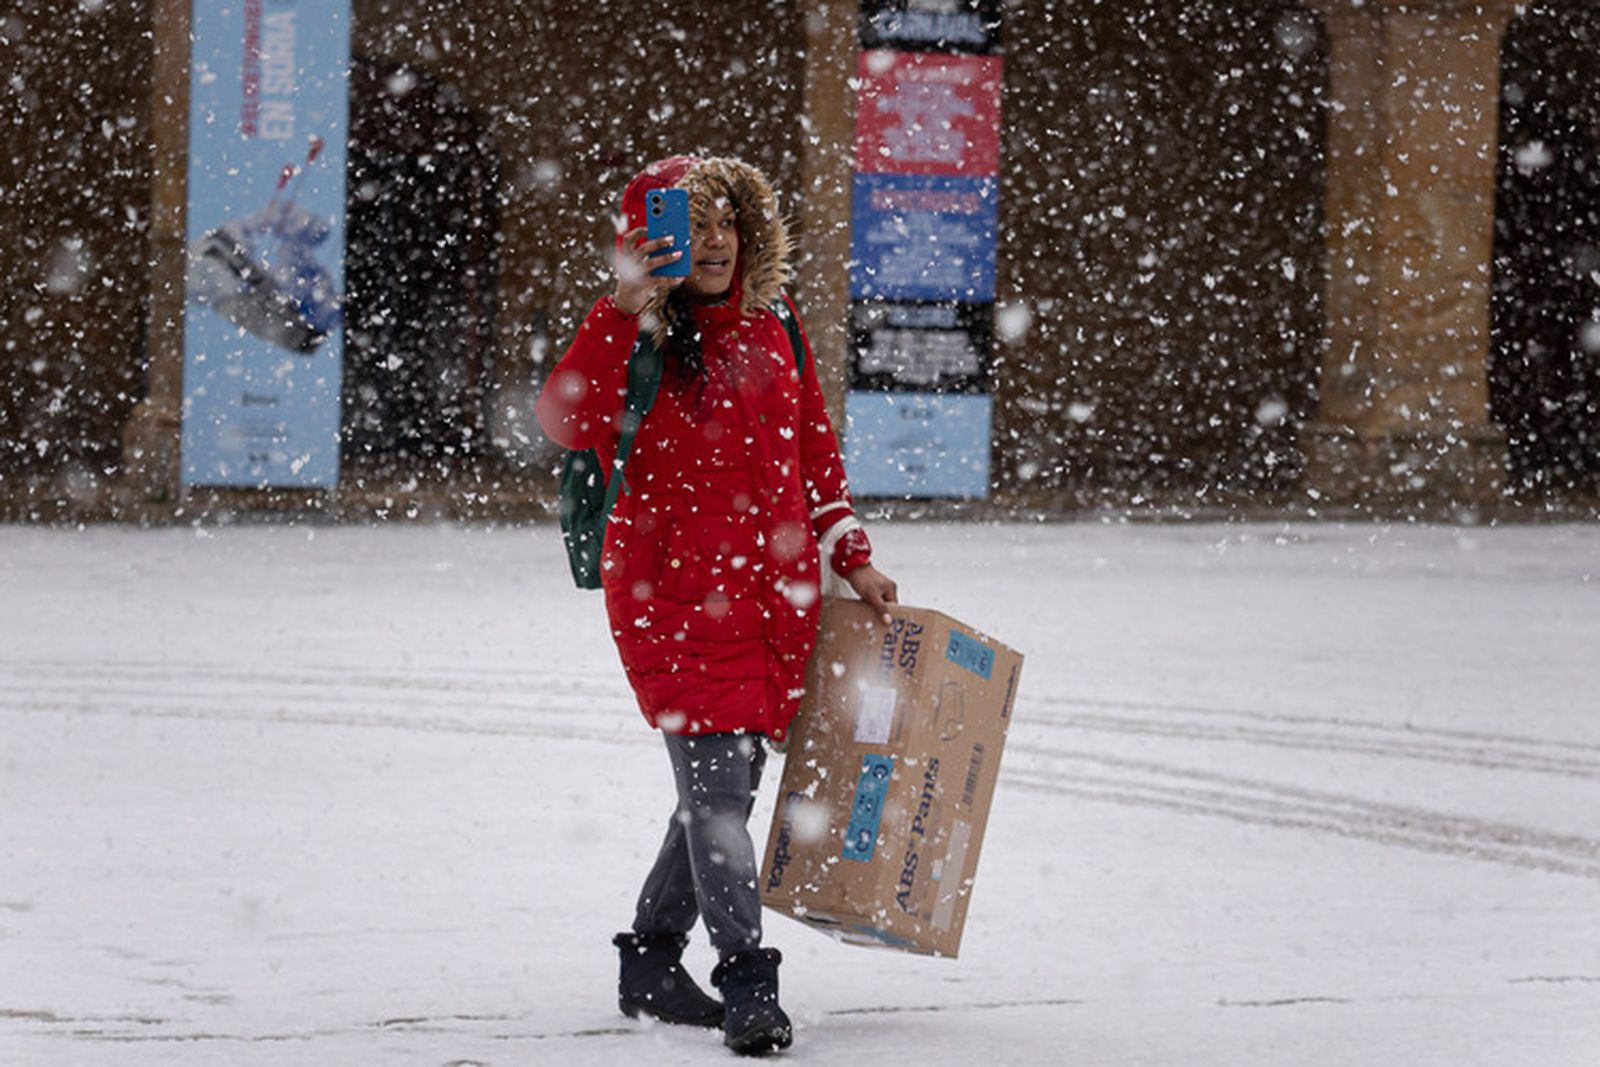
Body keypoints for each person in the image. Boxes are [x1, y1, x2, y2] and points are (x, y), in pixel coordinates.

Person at [535, 155, 897, 1056]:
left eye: (728, 222)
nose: (715, 241)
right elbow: (564, 417)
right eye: (690, 226)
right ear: (651, 241)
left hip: (775, 601)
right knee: (716, 796)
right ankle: (748, 981)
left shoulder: (777, 328)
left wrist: (851, 554)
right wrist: (621, 307)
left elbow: (813, 449)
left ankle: (653, 956)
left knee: (720, 791)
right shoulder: (640, 336)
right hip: (674, 601)